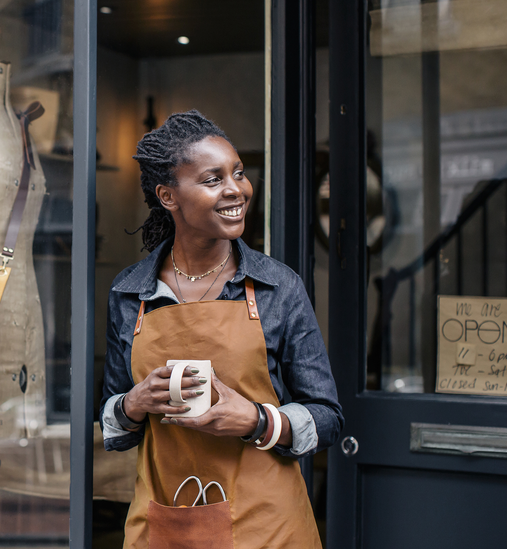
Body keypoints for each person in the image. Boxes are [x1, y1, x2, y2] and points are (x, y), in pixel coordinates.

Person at [101, 110, 343, 548]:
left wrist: (255, 419)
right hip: (165, 521)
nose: (237, 190)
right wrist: (133, 403)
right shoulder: (130, 292)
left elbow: (327, 417)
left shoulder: (277, 286)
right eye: (213, 180)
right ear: (168, 196)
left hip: (267, 527)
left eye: (238, 174)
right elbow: (113, 428)